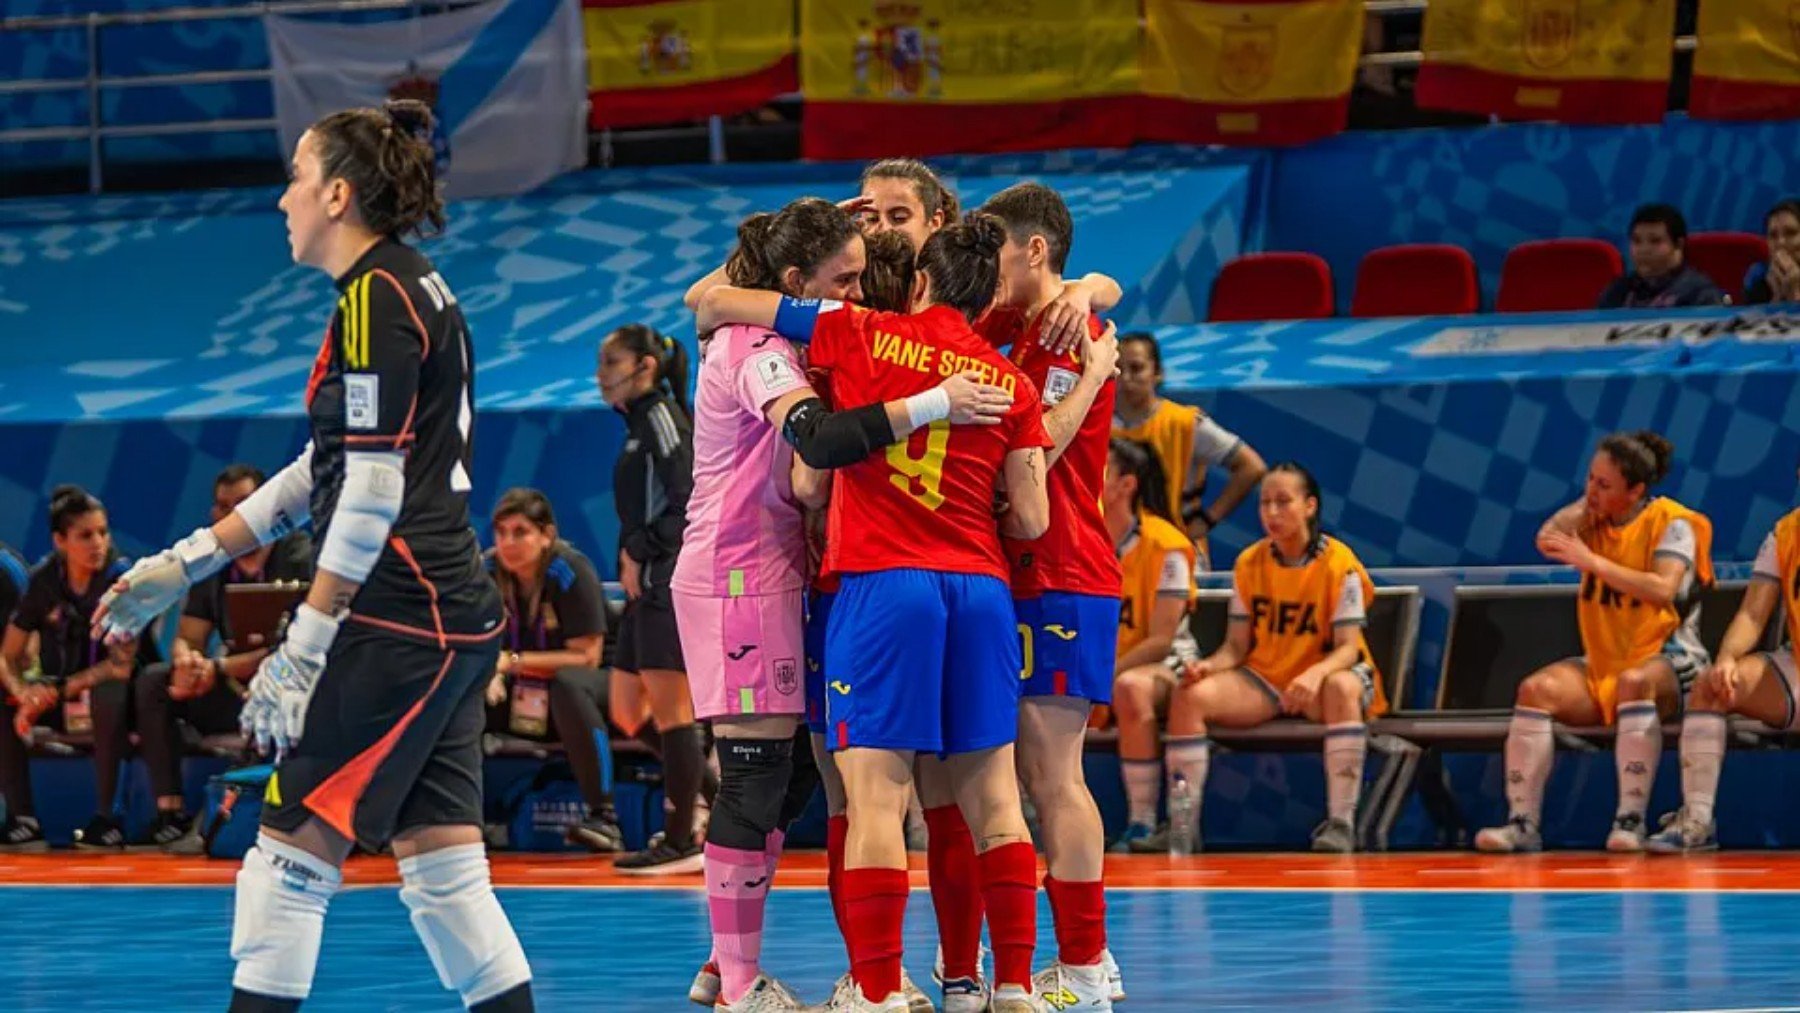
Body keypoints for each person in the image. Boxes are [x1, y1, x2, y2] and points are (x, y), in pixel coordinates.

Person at [94, 100, 533, 1011]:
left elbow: (370, 490)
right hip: (451, 616)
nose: (281, 198)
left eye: (295, 177)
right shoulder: (405, 286)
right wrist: (189, 561)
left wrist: (308, 635)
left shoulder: (377, 295)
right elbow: (322, 466)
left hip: (400, 616)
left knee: (285, 863)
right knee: (447, 879)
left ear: (337, 193)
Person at [696, 213, 1053, 1013]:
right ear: (993, 292)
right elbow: (1033, 520)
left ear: (919, 282)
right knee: (996, 798)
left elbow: (719, 305)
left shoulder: (855, 331)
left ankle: (882, 990)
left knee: (874, 801)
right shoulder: (1010, 382)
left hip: (882, 585)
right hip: (982, 588)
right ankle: (1010, 986)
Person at [977, 181, 1123, 1010]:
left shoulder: (1078, 332)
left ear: (1035, 249)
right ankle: (1061, 962)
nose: (987, 267)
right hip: (1013, 573)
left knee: (1053, 774)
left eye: (998, 246)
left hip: (1063, 571)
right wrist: (1090, 279)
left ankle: (1086, 965)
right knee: (1019, 774)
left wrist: (1095, 351)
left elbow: (1048, 443)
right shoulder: (1006, 322)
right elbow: (1107, 279)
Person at [1475, 431, 1713, 854]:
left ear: (1636, 490)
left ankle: (1630, 819)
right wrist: (1589, 503)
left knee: (1634, 683)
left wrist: (1592, 562)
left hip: (1672, 659)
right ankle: (1522, 823)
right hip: (1606, 662)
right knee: (1535, 690)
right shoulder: (1593, 520)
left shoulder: (1673, 524)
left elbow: (1662, 588)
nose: (1592, 491)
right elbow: (1547, 539)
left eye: (1605, 484)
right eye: (1589, 479)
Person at [1167, 463, 1389, 853]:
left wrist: (1313, 676)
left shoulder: (1340, 564)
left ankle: (1341, 823)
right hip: (1267, 678)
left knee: (1341, 686)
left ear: (1309, 506)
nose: (1271, 513)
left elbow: (1348, 648)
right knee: (1190, 696)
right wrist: (1207, 668)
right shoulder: (1249, 562)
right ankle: (1181, 829)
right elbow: (1236, 647)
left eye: (1283, 502)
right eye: (1265, 503)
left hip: (1327, 677)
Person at [136, 464, 313, 852]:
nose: (232, 513)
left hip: (295, 688)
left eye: (243, 504)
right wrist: (188, 663)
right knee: (154, 681)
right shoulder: (213, 566)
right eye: (223, 506)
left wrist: (217, 666)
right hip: (230, 687)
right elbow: (188, 636)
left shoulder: (302, 556)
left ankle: (251, 818)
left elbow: (294, 645)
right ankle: (170, 812)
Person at [597, 322, 711, 875]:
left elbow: (688, 497)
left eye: (611, 365)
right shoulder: (635, 425)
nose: (601, 379)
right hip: (642, 582)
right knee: (624, 709)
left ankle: (682, 838)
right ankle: (723, 802)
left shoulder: (664, 418)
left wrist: (642, 551)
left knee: (673, 713)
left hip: (667, 579)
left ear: (645, 367)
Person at [1648, 461, 1800, 852]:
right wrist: (1728, 658)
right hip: (1796, 671)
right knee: (1711, 686)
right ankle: (1697, 820)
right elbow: (1753, 613)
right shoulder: (1786, 533)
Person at [0, 486, 145, 851]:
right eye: (85, 535)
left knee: (107, 694)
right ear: (60, 541)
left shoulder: (121, 578)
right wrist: (24, 693)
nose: (98, 543)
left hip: (123, 700)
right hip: (61, 697)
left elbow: (121, 666)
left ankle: (108, 819)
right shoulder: (44, 580)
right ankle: (23, 819)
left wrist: (59, 689)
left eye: (103, 532)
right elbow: (7, 655)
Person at [481, 488, 624, 853]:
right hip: (523, 692)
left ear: (546, 536)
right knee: (456, 690)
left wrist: (511, 662)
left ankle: (603, 817)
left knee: (568, 684)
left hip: (598, 691)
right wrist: (490, 671)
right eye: (501, 532)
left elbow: (586, 658)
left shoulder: (569, 570)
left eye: (520, 532)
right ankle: (462, 819)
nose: (508, 542)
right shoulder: (486, 572)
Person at [1100, 440, 1203, 854]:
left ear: (1126, 484)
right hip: (1100, 665)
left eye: (1099, 468)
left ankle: (1142, 821)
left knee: (1131, 688)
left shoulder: (1169, 547)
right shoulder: (1074, 533)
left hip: (1167, 665)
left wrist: (1105, 677)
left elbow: (1161, 640)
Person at [1113, 332, 1266, 568]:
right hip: (1115, 554)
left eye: (1137, 368)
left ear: (1157, 372)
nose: (1126, 378)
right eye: (1118, 368)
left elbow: (1252, 467)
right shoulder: (1096, 423)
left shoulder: (1185, 423)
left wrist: (1205, 521)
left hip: (1176, 553)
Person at [1596, 204, 1724, 309]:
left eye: (1655, 241)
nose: (1643, 250)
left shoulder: (1700, 294)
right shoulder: (1619, 290)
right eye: (1636, 241)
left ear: (1679, 244)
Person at [1741, 198, 1800, 305]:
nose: (1781, 242)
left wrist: (1795, 294)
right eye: (1773, 235)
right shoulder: (1759, 282)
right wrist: (1777, 296)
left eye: (1791, 233)